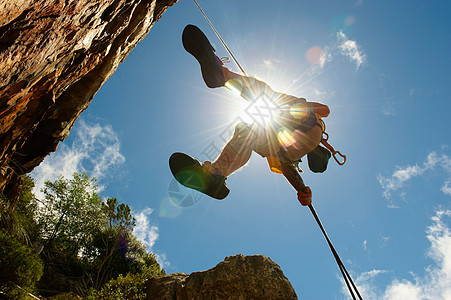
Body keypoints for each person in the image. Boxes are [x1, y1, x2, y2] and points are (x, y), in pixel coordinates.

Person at [173, 25, 330, 200]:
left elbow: (325, 109)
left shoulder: (311, 130)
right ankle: (215, 176)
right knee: (246, 131)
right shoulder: (288, 157)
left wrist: (298, 104)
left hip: (306, 128)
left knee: (268, 96)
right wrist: (301, 190)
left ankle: (222, 76)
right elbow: (288, 171)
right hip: (286, 143)